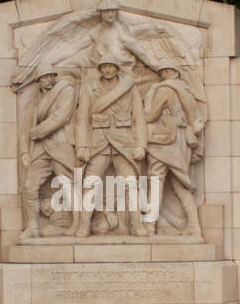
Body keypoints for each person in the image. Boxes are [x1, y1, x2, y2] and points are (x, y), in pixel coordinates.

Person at [74, 55, 147, 237]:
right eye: (104, 67)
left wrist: (141, 145)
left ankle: (137, 224)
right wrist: (82, 145)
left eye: (111, 66)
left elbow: (139, 118)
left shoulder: (129, 88)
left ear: (116, 68)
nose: (107, 70)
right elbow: (82, 119)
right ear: (100, 69)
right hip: (98, 142)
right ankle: (84, 225)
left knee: (131, 184)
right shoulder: (90, 88)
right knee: (90, 183)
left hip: (124, 142)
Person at [145, 62, 204, 236]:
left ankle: (150, 224)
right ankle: (194, 225)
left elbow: (150, 115)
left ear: (176, 74)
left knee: (156, 180)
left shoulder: (164, 90)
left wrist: (149, 95)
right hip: (181, 140)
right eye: (162, 71)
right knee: (180, 183)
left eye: (167, 71)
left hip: (164, 139)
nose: (163, 74)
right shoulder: (186, 91)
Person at [20, 66, 78, 238]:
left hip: (60, 144)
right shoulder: (36, 102)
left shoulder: (66, 92)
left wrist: (38, 131)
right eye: (44, 78)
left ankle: (78, 224)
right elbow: (26, 128)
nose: (48, 80)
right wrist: (24, 151)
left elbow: (61, 117)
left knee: (68, 186)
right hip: (40, 148)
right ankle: (32, 227)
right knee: (29, 187)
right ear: (39, 81)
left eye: (51, 76)